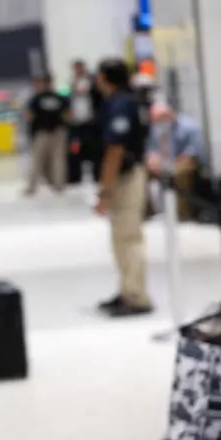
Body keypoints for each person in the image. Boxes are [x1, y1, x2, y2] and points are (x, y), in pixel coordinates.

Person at [94, 58, 153, 317]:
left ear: (105, 79)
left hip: (125, 177)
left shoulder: (121, 106)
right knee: (121, 237)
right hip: (124, 174)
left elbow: (115, 150)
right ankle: (126, 289)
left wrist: (104, 191)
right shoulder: (128, 102)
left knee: (129, 237)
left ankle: (136, 296)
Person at [146, 102, 204, 221]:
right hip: (163, 162)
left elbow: (193, 152)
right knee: (141, 173)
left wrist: (171, 165)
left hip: (184, 161)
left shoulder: (188, 127)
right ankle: (147, 212)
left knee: (177, 173)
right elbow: (150, 148)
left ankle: (180, 213)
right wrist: (152, 160)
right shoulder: (155, 129)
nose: (159, 123)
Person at [24, 73, 70, 195]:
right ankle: (59, 185)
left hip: (42, 131)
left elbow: (29, 115)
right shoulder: (60, 97)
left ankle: (32, 186)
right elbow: (68, 115)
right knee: (58, 159)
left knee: (37, 160)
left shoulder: (37, 98)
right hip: (58, 131)